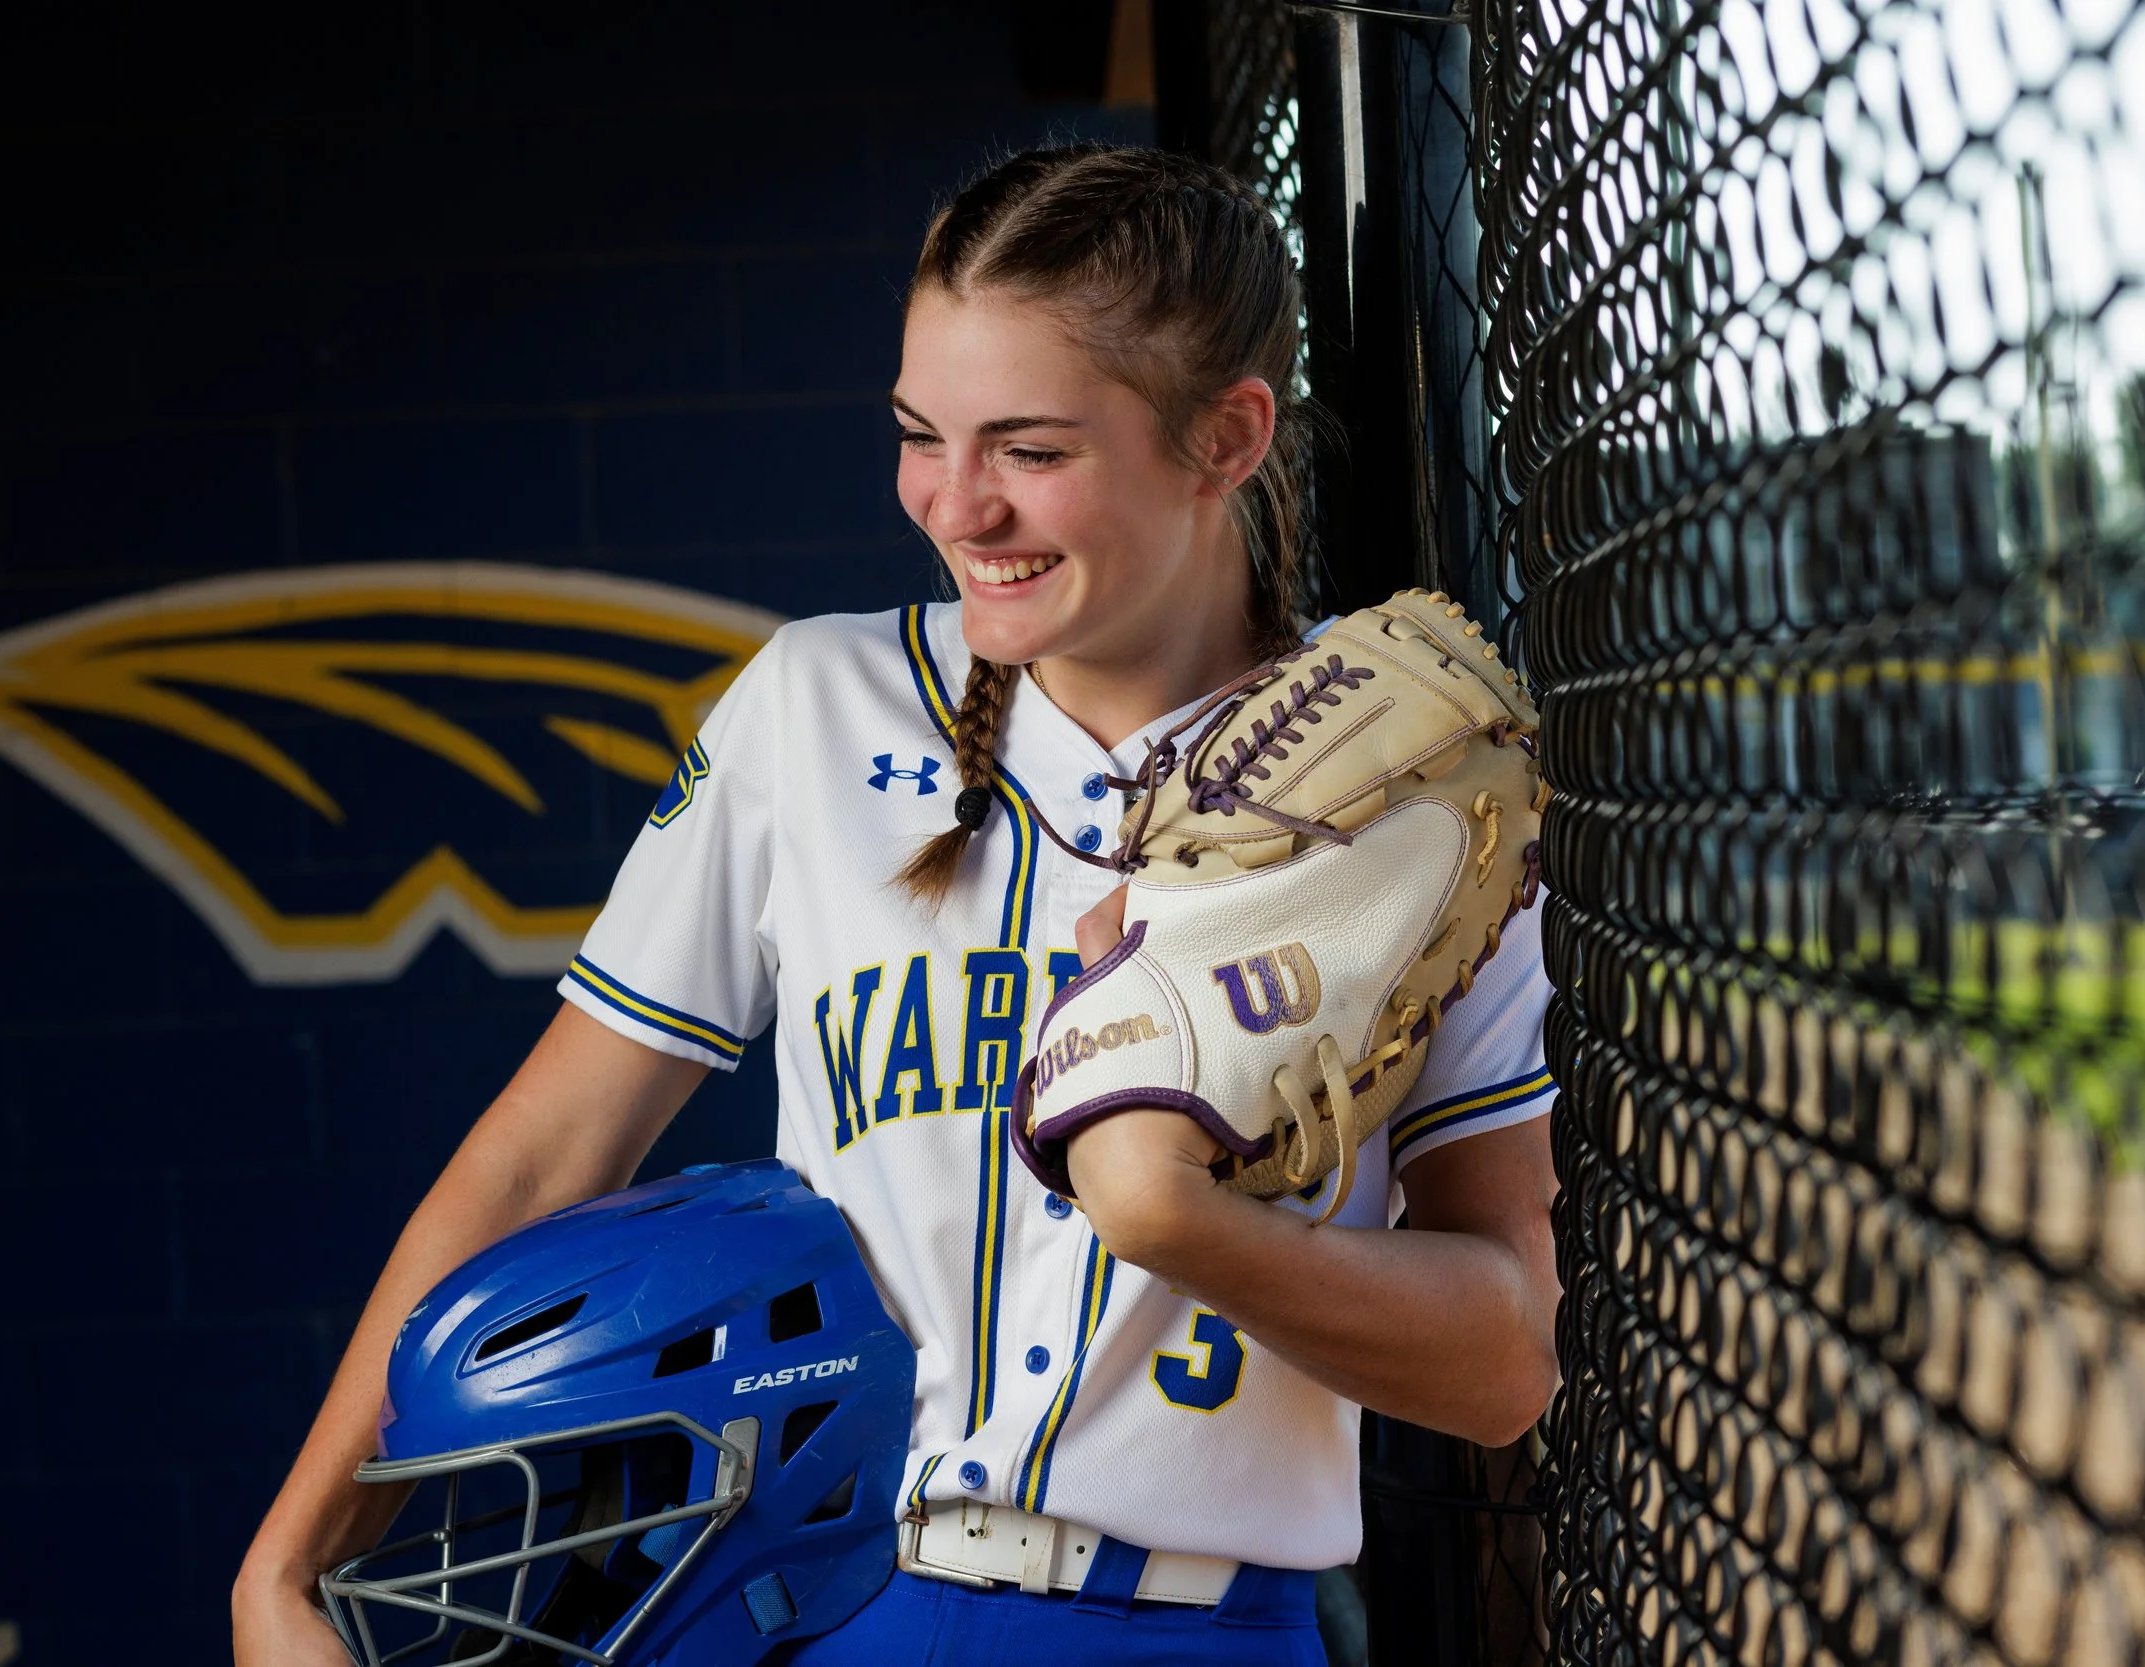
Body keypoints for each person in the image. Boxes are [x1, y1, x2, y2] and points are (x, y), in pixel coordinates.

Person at [232, 143, 1560, 1667]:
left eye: (1031, 448)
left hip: (1196, 1627)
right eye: (920, 434)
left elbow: (1505, 1356)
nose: (954, 502)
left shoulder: (1413, 797)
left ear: (1228, 435)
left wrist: (1178, 1224)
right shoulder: (815, 702)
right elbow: (547, 1149)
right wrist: (287, 1565)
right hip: (815, 1611)